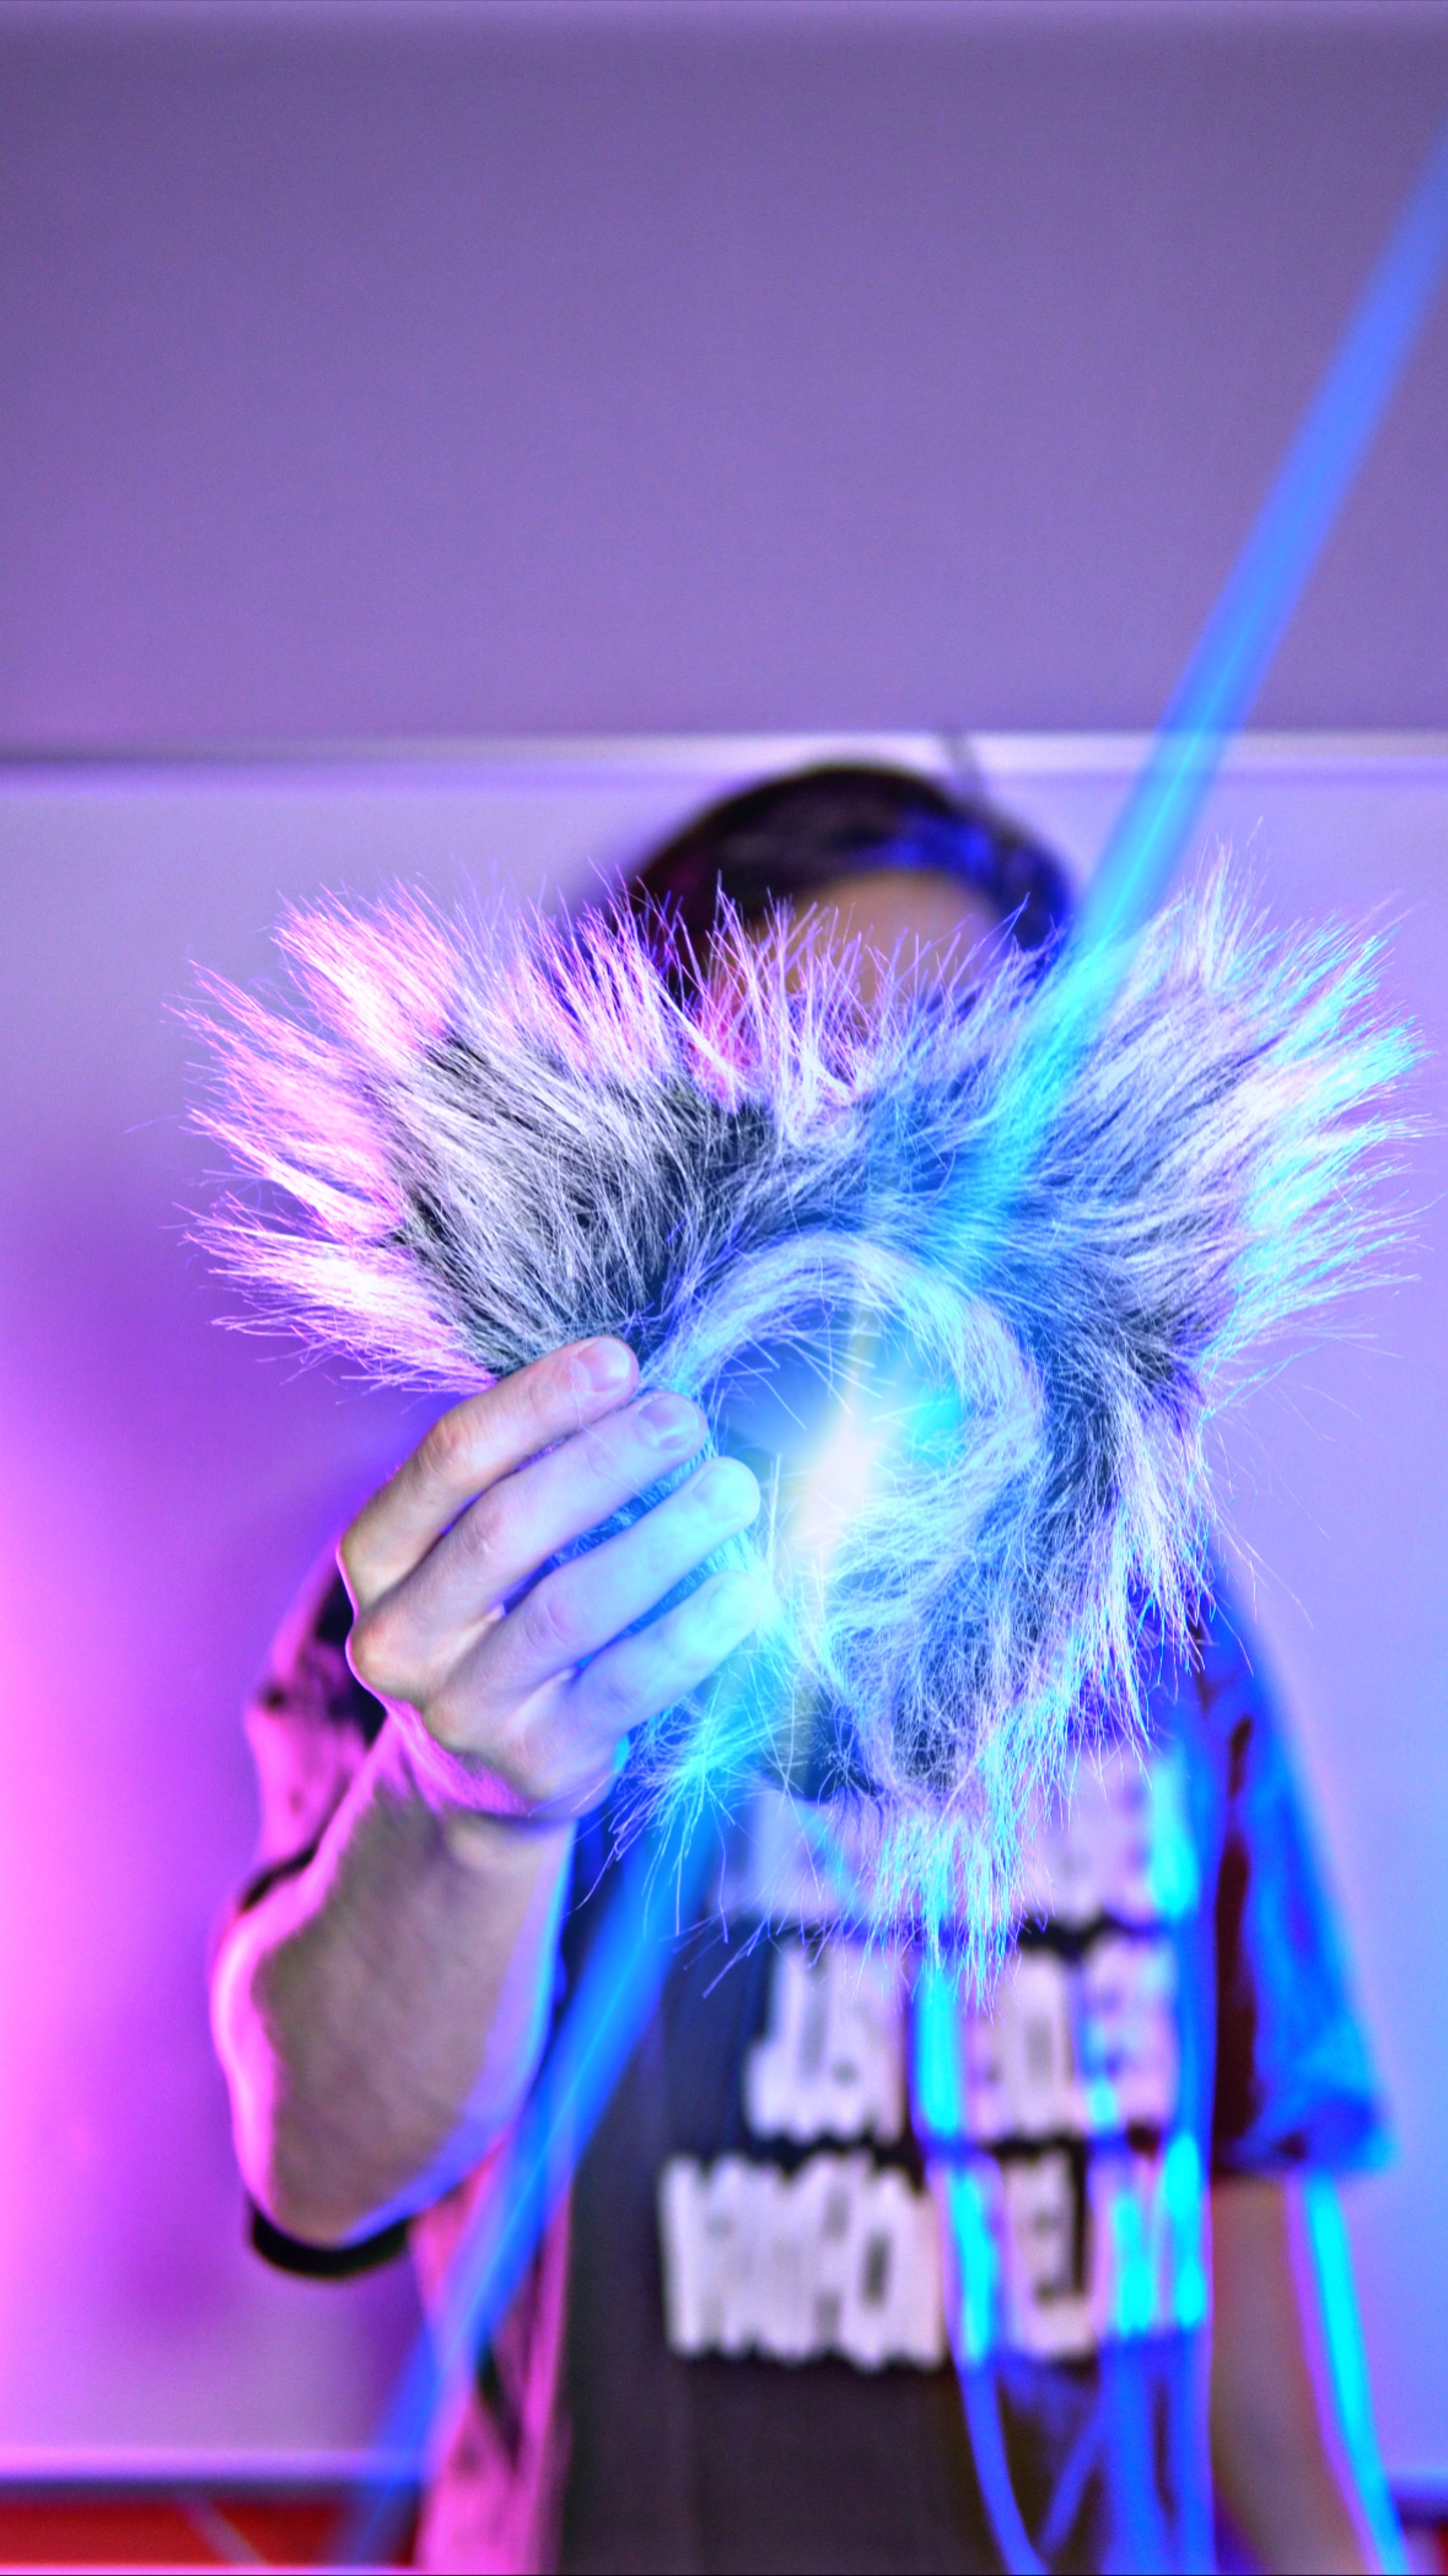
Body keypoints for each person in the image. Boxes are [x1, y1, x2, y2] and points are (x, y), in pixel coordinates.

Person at [212, 765, 1396, 2575]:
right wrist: (472, 1799)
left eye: (954, 1090)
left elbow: (1235, 2184)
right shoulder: (497, 1575)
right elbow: (326, 2165)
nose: (876, 1167)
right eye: (808, 1071)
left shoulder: (1158, 1612)